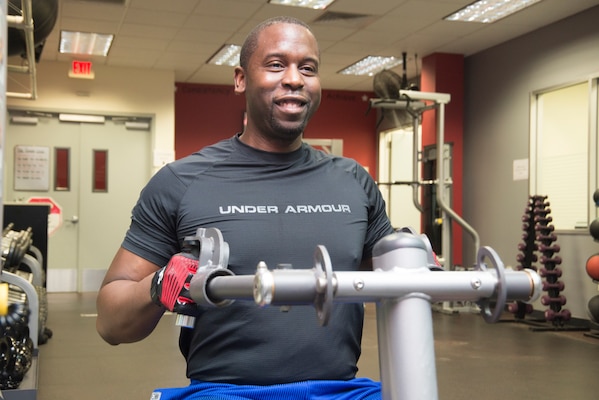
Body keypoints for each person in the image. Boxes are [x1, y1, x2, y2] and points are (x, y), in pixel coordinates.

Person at [96, 15, 394, 400]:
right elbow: (110, 322)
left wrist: (415, 260)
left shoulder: (354, 180)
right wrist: (158, 286)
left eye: (308, 68)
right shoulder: (182, 182)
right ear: (241, 79)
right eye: (275, 64)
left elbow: (394, 276)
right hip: (224, 392)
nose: (294, 78)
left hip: (339, 390)